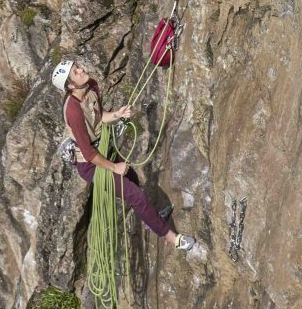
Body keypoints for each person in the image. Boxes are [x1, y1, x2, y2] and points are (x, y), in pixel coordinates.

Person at [53, 57, 206, 261]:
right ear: (71, 86)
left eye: (78, 66)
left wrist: (116, 114)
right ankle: (172, 238)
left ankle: (152, 220)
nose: (81, 70)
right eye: (75, 72)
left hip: (103, 147)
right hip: (90, 163)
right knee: (136, 195)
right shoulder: (72, 110)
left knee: (132, 177)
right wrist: (114, 167)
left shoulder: (91, 86)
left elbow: (99, 117)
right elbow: (88, 154)